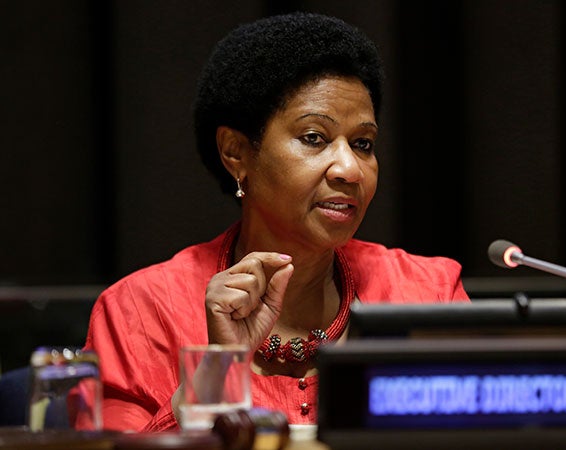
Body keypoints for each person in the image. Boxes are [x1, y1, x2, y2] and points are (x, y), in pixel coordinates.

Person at [82, 11, 470, 433]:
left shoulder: (427, 296)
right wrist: (217, 374)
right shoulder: (141, 311)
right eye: (314, 138)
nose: (349, 169)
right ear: (236, 153)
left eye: (362, 144)